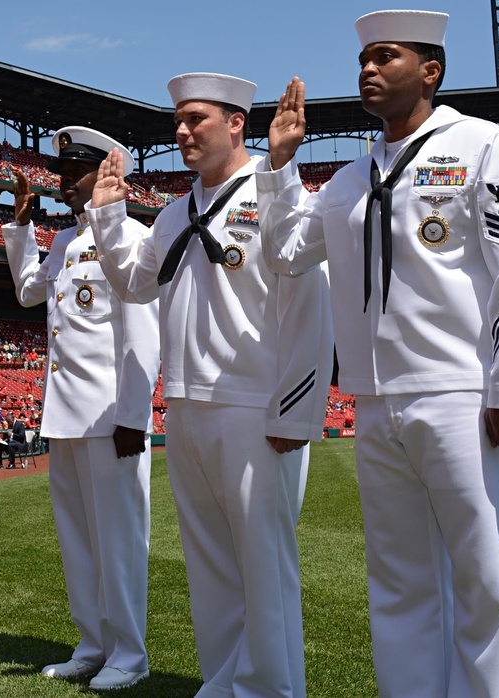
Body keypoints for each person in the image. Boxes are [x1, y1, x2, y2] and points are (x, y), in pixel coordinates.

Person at [258, 10, 499, 698]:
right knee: (399, 581)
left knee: (485, 580)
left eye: (385, 56)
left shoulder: (481, 146)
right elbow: (288, 253)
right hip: (376, 401)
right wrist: (277, 170)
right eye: (363, 58)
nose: (367, 69)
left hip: (463, 394)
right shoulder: (348, 179)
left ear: (430, 70)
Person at [86, 75, 332, 697]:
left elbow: (310, 306)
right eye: (177, 120)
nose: (181, 131)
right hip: (188, 407)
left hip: (255, 407)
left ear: (235, 124)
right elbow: (134, 284)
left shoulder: (276, 196)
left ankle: (272, 690)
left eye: (195, 118)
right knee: (211, 566)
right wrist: (111, 214)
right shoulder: (173, 213)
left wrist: (294, 414)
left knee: (263, 566)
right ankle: (224, 682)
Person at [4, 126, 161, 691]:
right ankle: (93, 643)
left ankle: (129, 654)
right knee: (78, 540)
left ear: (105, 173)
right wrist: (20, 226)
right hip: (66, 413)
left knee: (120, 539)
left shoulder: (134, 237)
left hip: (109, 417)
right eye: (62, 173)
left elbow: (142, 333)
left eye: (75, 173)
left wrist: (132, 416)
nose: (64, 182)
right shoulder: (63, 244)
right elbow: (28, 291)